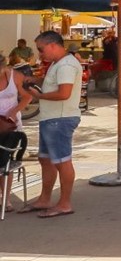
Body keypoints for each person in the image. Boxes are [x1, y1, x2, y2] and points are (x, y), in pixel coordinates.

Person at [25, 31, 83, 218]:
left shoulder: (66, 65)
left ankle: (64, 203)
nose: (40, 54)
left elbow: (64, 93)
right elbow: (55, 85)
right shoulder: (58, 64)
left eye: (41, 49)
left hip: (60, 118)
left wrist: (39, 96)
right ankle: (45, 198)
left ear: (52, 45)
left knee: (61, 161)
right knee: (47, 159)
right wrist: (36, 81)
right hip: (51, 117)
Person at [0, 60, 33, 213]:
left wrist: (13, 112)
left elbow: (27, 97)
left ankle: (6, 200)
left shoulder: (14, 76)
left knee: (5, 161)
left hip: (11, 125)